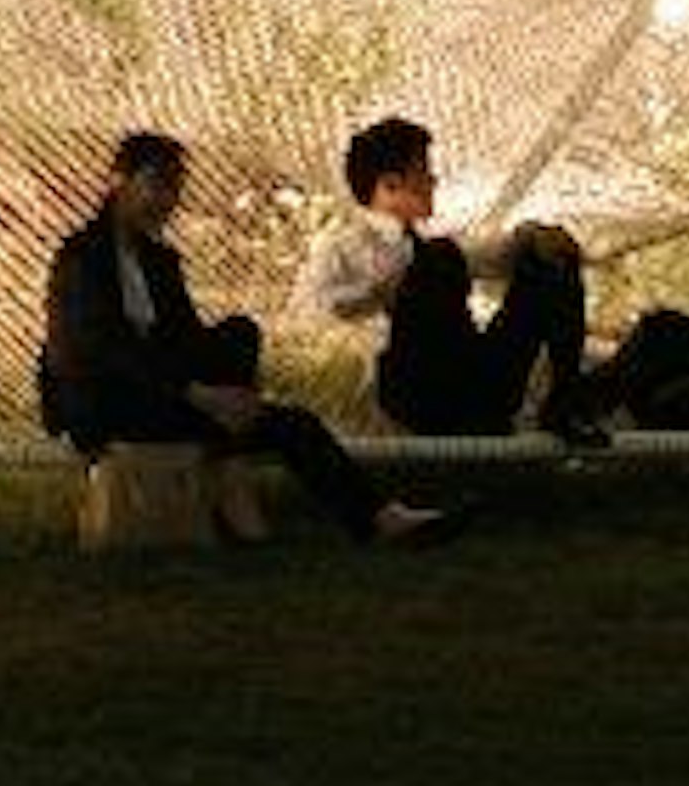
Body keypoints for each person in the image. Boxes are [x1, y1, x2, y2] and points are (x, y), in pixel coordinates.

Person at [40, 131, 454, 543]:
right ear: (119, 181)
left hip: (164, 394)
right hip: (107, 403)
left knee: (242, 338)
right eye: (156, 184)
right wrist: (198, 394)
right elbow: (105, 348)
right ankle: (365, 516)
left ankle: (375, 517)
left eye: (174, 189)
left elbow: (185, 339)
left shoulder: (159, 261)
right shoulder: (81, 258)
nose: (165, 200)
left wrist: (229, 389)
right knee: (291, 425)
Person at [312, 116, 606, 445]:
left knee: (548, 256)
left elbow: (493, 255)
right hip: (411, 387)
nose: (434, 181)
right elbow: (331, 308)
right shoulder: (344, 246)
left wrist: (534, 234)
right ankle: (477, 411)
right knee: (439, 258)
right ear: (391, 183)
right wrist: (394, 286)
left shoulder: (436, 249)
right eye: (422, 171)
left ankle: (566, 401)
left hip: (473, 375)